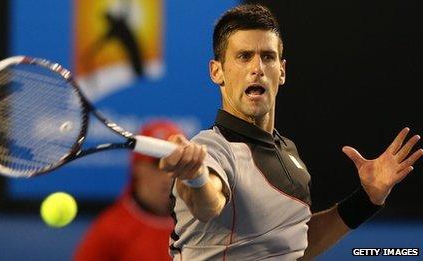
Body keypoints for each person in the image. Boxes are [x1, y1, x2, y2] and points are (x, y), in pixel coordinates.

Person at [160, 4, 423, 260]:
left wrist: (366, 199)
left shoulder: (288, 152)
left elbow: (294, 247)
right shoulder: (214, 147)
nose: (257, 68)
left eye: (267, 57)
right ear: (217, 71)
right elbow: (208, 204)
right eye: (244, 56)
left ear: (282, 71)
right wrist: (194, 177)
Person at [75, 120, 184, 261]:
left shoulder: (202, 226)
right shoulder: (109, 230)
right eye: (158, 164)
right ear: (137, 168)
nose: (169, 175)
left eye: (177, 164)